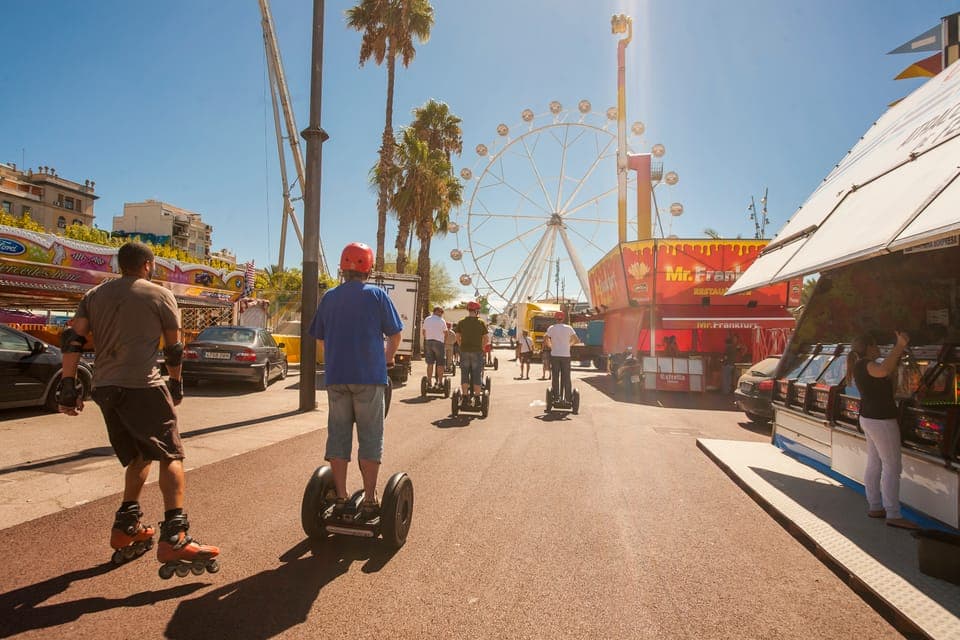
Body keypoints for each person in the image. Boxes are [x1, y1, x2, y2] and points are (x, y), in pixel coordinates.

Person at [58, 241, 219, 570]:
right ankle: (175, 536)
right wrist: (176, 383)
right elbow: (174, 349)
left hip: (105, 388)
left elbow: (73, 340)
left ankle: (126, 525)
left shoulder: (94, 295)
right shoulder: (160, 294)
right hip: (144, 385)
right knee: (171, 455)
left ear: (121, 265)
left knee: (139, 456)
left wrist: (68, 385)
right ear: (148, 264)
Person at [309, 242, 403, 521]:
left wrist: (335, 358)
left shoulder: (329, 297)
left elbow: (320, 338)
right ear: (368, 269)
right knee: (370, 436)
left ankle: (340, 497)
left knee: (338, 435)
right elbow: (395, 335)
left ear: (342, 268)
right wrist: (387, 359)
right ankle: (371, 499)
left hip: (337, 377)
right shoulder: (376, 295)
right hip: (369, 378)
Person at [846, 331, 918, 530]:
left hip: (869, 418)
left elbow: (886, 376)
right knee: (892, 466)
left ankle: (876, 506)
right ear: (869, 347)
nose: (878, 348)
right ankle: (893, 514)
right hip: (881, 420)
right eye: (876, 345)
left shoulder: (861, 365)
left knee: (875, 463)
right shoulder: (866, 364)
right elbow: (884, 370)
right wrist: (899, 345)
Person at [455, 301, 488, 401]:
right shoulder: (481, 322)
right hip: (477, 351)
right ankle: (477, 398)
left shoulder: (461, 322)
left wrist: (461, 346)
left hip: (464, 351)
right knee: (477, 374)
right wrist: (482, 348)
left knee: (464, 374)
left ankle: (465, 396)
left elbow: (457, 336)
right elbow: (486, 338)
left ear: (468, 310)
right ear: (477, 310)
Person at [544, 311, 580, 401]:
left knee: (555, 377)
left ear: (555, 318)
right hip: (566, 355)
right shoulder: (568, 328)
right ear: (563, 318)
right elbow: (576, 339)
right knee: (566, 377)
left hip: (555, 355)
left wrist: (550, 346)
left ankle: (556, 397)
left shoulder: (551, 328)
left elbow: (545, 338)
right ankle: (568, 397)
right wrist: (569, 345)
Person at [421, 306, 447, 386]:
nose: (441, 314)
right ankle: (440, 382)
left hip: (429, 342)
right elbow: (446, 333)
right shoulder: (442, 320)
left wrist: (427, 338)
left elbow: (423, 331)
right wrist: (444, 342)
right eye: (441, 312)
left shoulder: (427, 319)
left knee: (430, 363)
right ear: (436, 311)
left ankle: (429, 382)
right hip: (439, 343)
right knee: (440, 364)